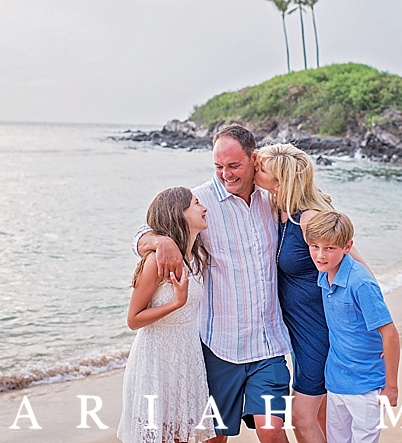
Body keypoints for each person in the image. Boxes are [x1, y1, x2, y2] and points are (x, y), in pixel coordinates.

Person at [134, 125, 291, 443]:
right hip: (218, 349)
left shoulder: (273, 200)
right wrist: (159, 240)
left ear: (253, 159)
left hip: (269, 346)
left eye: (234, 166)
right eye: (218, 166)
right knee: (213, 439)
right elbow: (140, 234)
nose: (226, 174)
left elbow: (317, 221)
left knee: (272, 432)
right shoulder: (200, 202)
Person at [254, 143, 367, 443]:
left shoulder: (310, 219)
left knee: (302, 417)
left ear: (280, 182)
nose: (255, 169)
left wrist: (374, 328)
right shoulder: (273, 210)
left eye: (262, 168)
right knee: (321, 417)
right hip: (296, 333)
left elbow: (360, 271)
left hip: (319, 333)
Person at [118, 186, 214, 443]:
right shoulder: (155, 262)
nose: (203, 208)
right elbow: (133, 319)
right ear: (179, 214)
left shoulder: (196, 257)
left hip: (186, 357)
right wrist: (177, 302)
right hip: (156, 361)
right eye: (196, 203)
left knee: (182, 435)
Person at [305, 210, 400, 443]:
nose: (320, 255)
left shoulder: (361, 283)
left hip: (367, 384)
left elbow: (390, 334)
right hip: (337, 380)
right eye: (314, 246)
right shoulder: (324, 274)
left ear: (347, 247)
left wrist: (391, 387)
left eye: (329, 248)